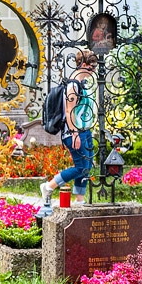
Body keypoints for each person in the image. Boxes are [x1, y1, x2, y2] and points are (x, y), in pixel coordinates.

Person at [40, 49, 97, 204]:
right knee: (80, 167)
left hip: (84, 131)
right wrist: (74, 133)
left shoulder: (80, 84)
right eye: (93, 66)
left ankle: (79, 200)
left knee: (86, 168)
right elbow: (68, 110)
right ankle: (49, 186)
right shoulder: (73, 85)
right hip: (74, 132)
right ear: (84, 65)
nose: (95, 70)